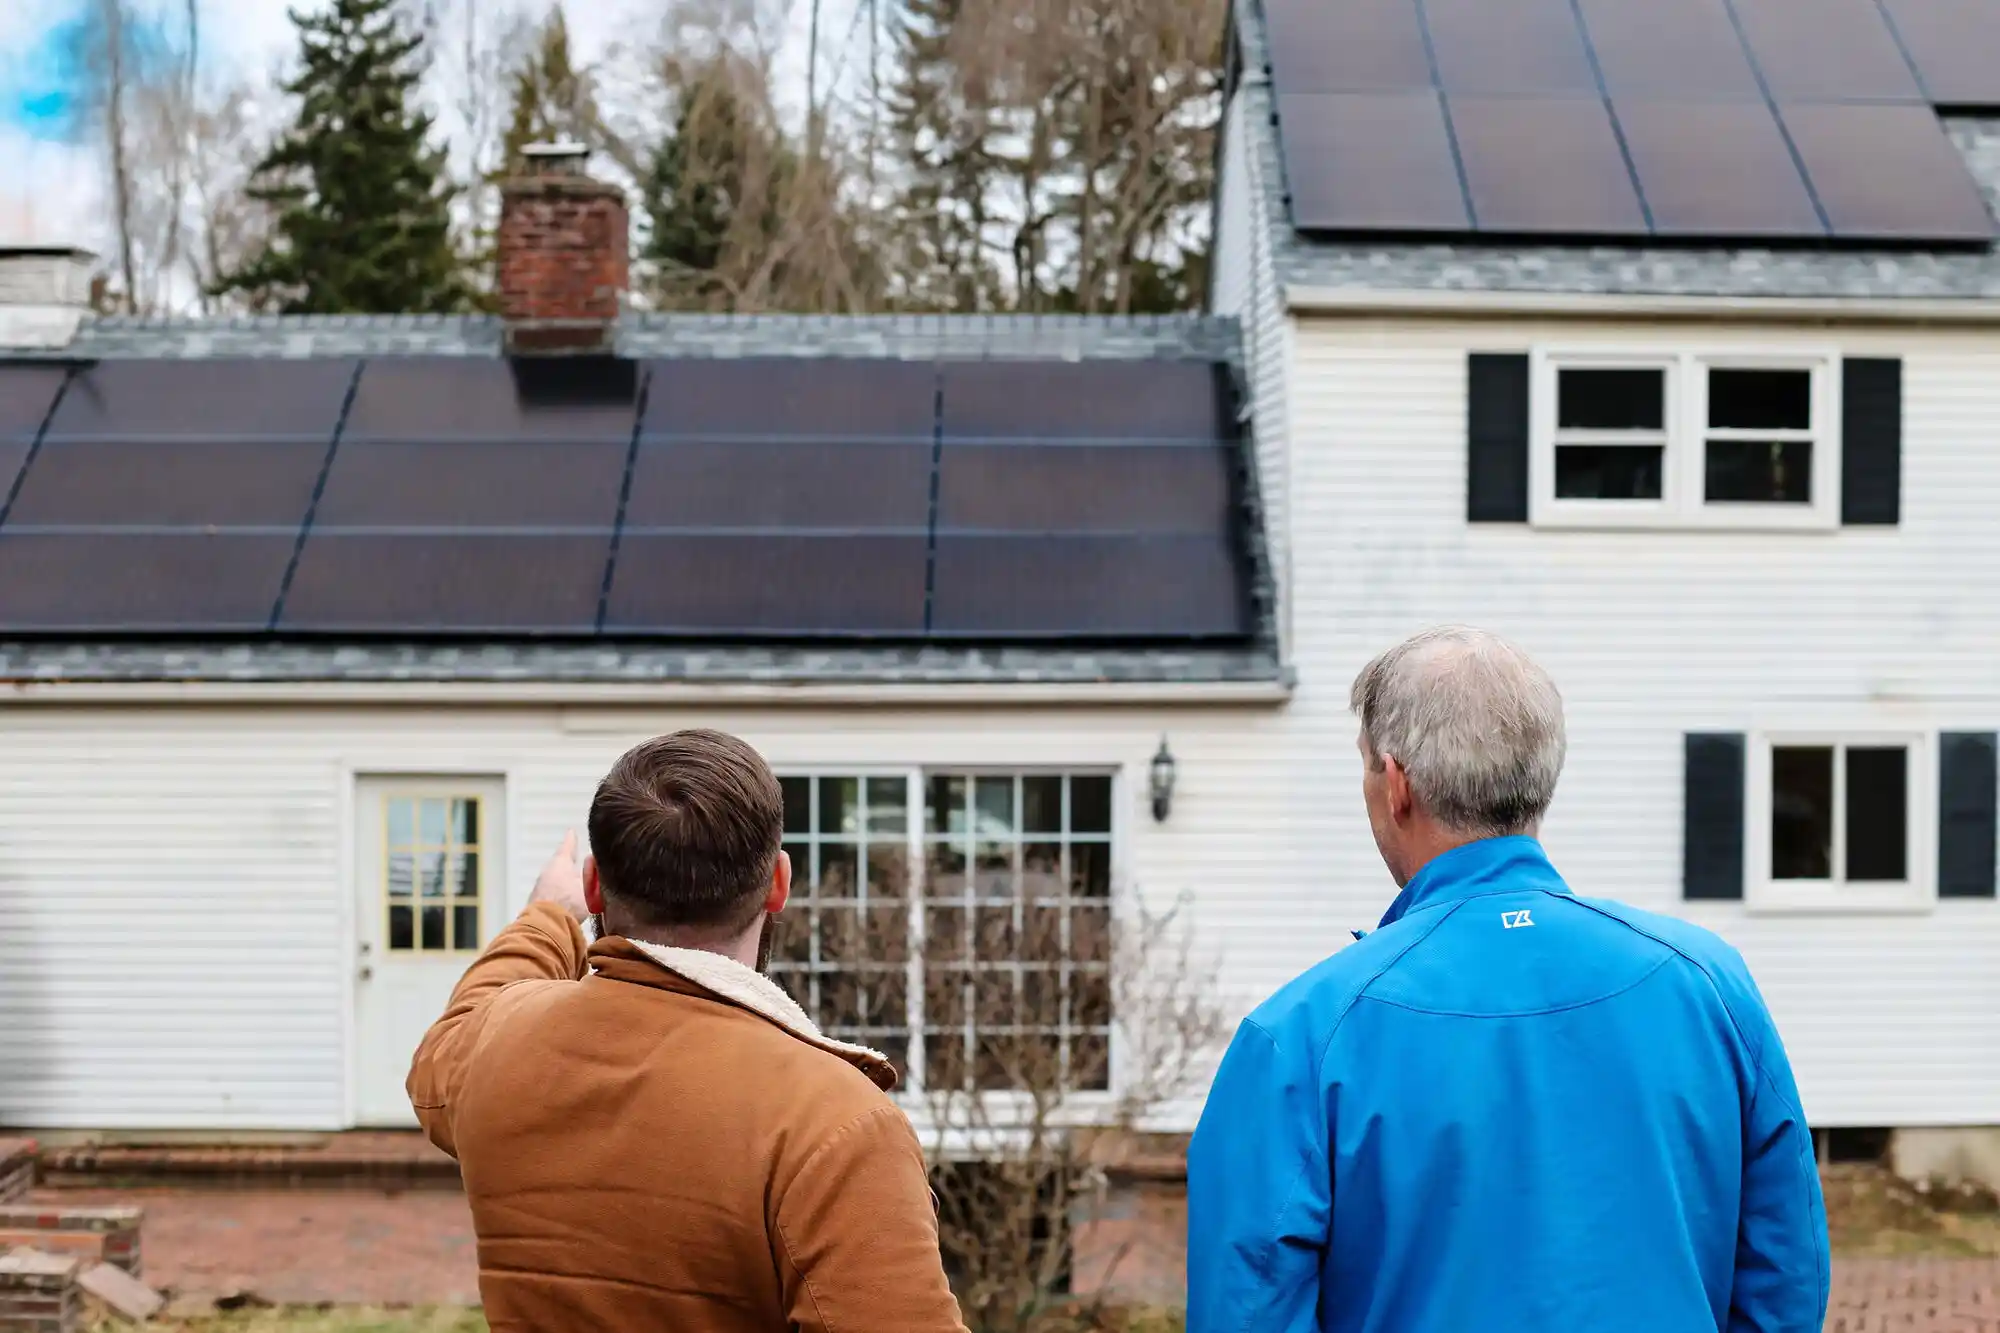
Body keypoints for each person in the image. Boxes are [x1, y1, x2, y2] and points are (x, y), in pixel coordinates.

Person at [1186, 626, 1829, 1333]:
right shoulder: (1709, 986)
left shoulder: (1301, 1035)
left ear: (1395, 784)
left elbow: (1246, 1308)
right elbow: (1785, 1275)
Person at [407, 729, 968, 1333]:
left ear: (596, 884)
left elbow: (460, 1027)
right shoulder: (835, 1121)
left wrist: (548, 916)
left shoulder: (498, 1046)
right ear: (778, 883)